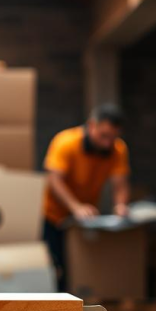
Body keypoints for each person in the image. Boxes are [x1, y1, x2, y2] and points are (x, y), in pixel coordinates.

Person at [41, 104, 130, 288]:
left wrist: (120, 206)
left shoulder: (118, 149)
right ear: (91, 125)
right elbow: (54, 180)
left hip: (83, 221)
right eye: (103, 136)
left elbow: (120, 184)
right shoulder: (66, 142)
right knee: (56, 269)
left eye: (113, 137)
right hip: (54, 217)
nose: (107, 143)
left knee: (79, 268)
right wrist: (76, 206)